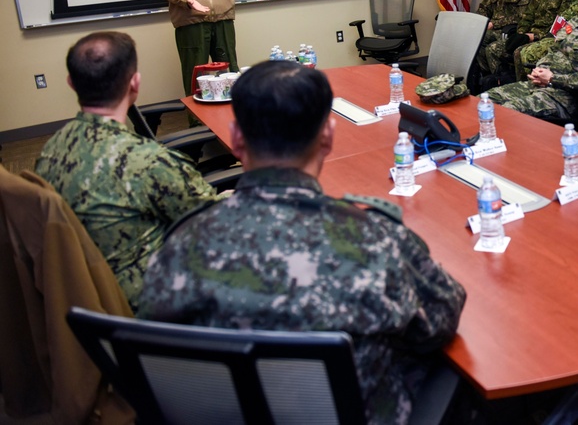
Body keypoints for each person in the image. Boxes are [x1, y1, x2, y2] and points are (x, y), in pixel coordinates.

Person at [137, 61, 466, 425]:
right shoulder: (373, 239)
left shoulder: (181, 244)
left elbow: (158, 347)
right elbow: (440, 318)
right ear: (327, 136)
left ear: (236, 138)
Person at [34, 32, 221, 310]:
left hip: (82, 304)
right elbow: (217, 224)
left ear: (71, 83)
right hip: (148, 308)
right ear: (135, 84)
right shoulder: (150, 161)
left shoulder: (49, 152)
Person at [498, 0, 578, 83]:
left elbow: (560, 26)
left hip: (546, 38)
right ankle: (502, 82)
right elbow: (527, 16)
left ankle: (525, 85)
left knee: (519, 53)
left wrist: (533, 37)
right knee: (497, 48)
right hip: (528, 35)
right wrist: (521, 34)